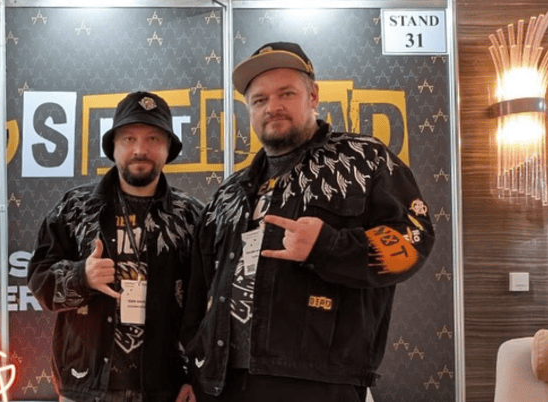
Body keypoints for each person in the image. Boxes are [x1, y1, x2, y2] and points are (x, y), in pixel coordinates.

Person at [180, 42, 436, 402]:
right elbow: (199, 291)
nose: (273, 107)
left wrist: (327, 246)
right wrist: (193, 369)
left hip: (318, 381)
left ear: (313, 96)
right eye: (259, 100)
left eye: (286, 93)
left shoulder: (364, 159)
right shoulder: (228, 192)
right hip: (221, 383)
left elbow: (413, 239)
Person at [28, 91, 202, 402]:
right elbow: (40, 281)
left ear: (168, 148)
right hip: (85, 385)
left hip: (164, 388)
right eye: (128, 139)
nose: (140, 150)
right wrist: (81, 276)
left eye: (152, 139)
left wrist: (193, 377)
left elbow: (203, 306)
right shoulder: (76, 207)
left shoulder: (189, 216)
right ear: (114, 147)